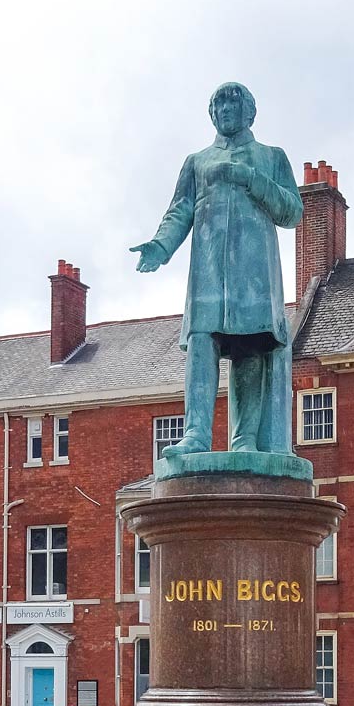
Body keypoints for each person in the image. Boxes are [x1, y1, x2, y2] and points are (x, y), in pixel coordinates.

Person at [132, 81, 303, 457]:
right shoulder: (197, 162)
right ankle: (196, 434)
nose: (225, 111)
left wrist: (252, 179)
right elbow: (180, 210)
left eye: (232, 104)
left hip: (254, 274)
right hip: (208, 274)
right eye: (218, 106)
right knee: (201, 341)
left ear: (250, 113)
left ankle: (244, 440)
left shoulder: (271, 157)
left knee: (250, 350)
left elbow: (292, 211)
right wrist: (161, 246)